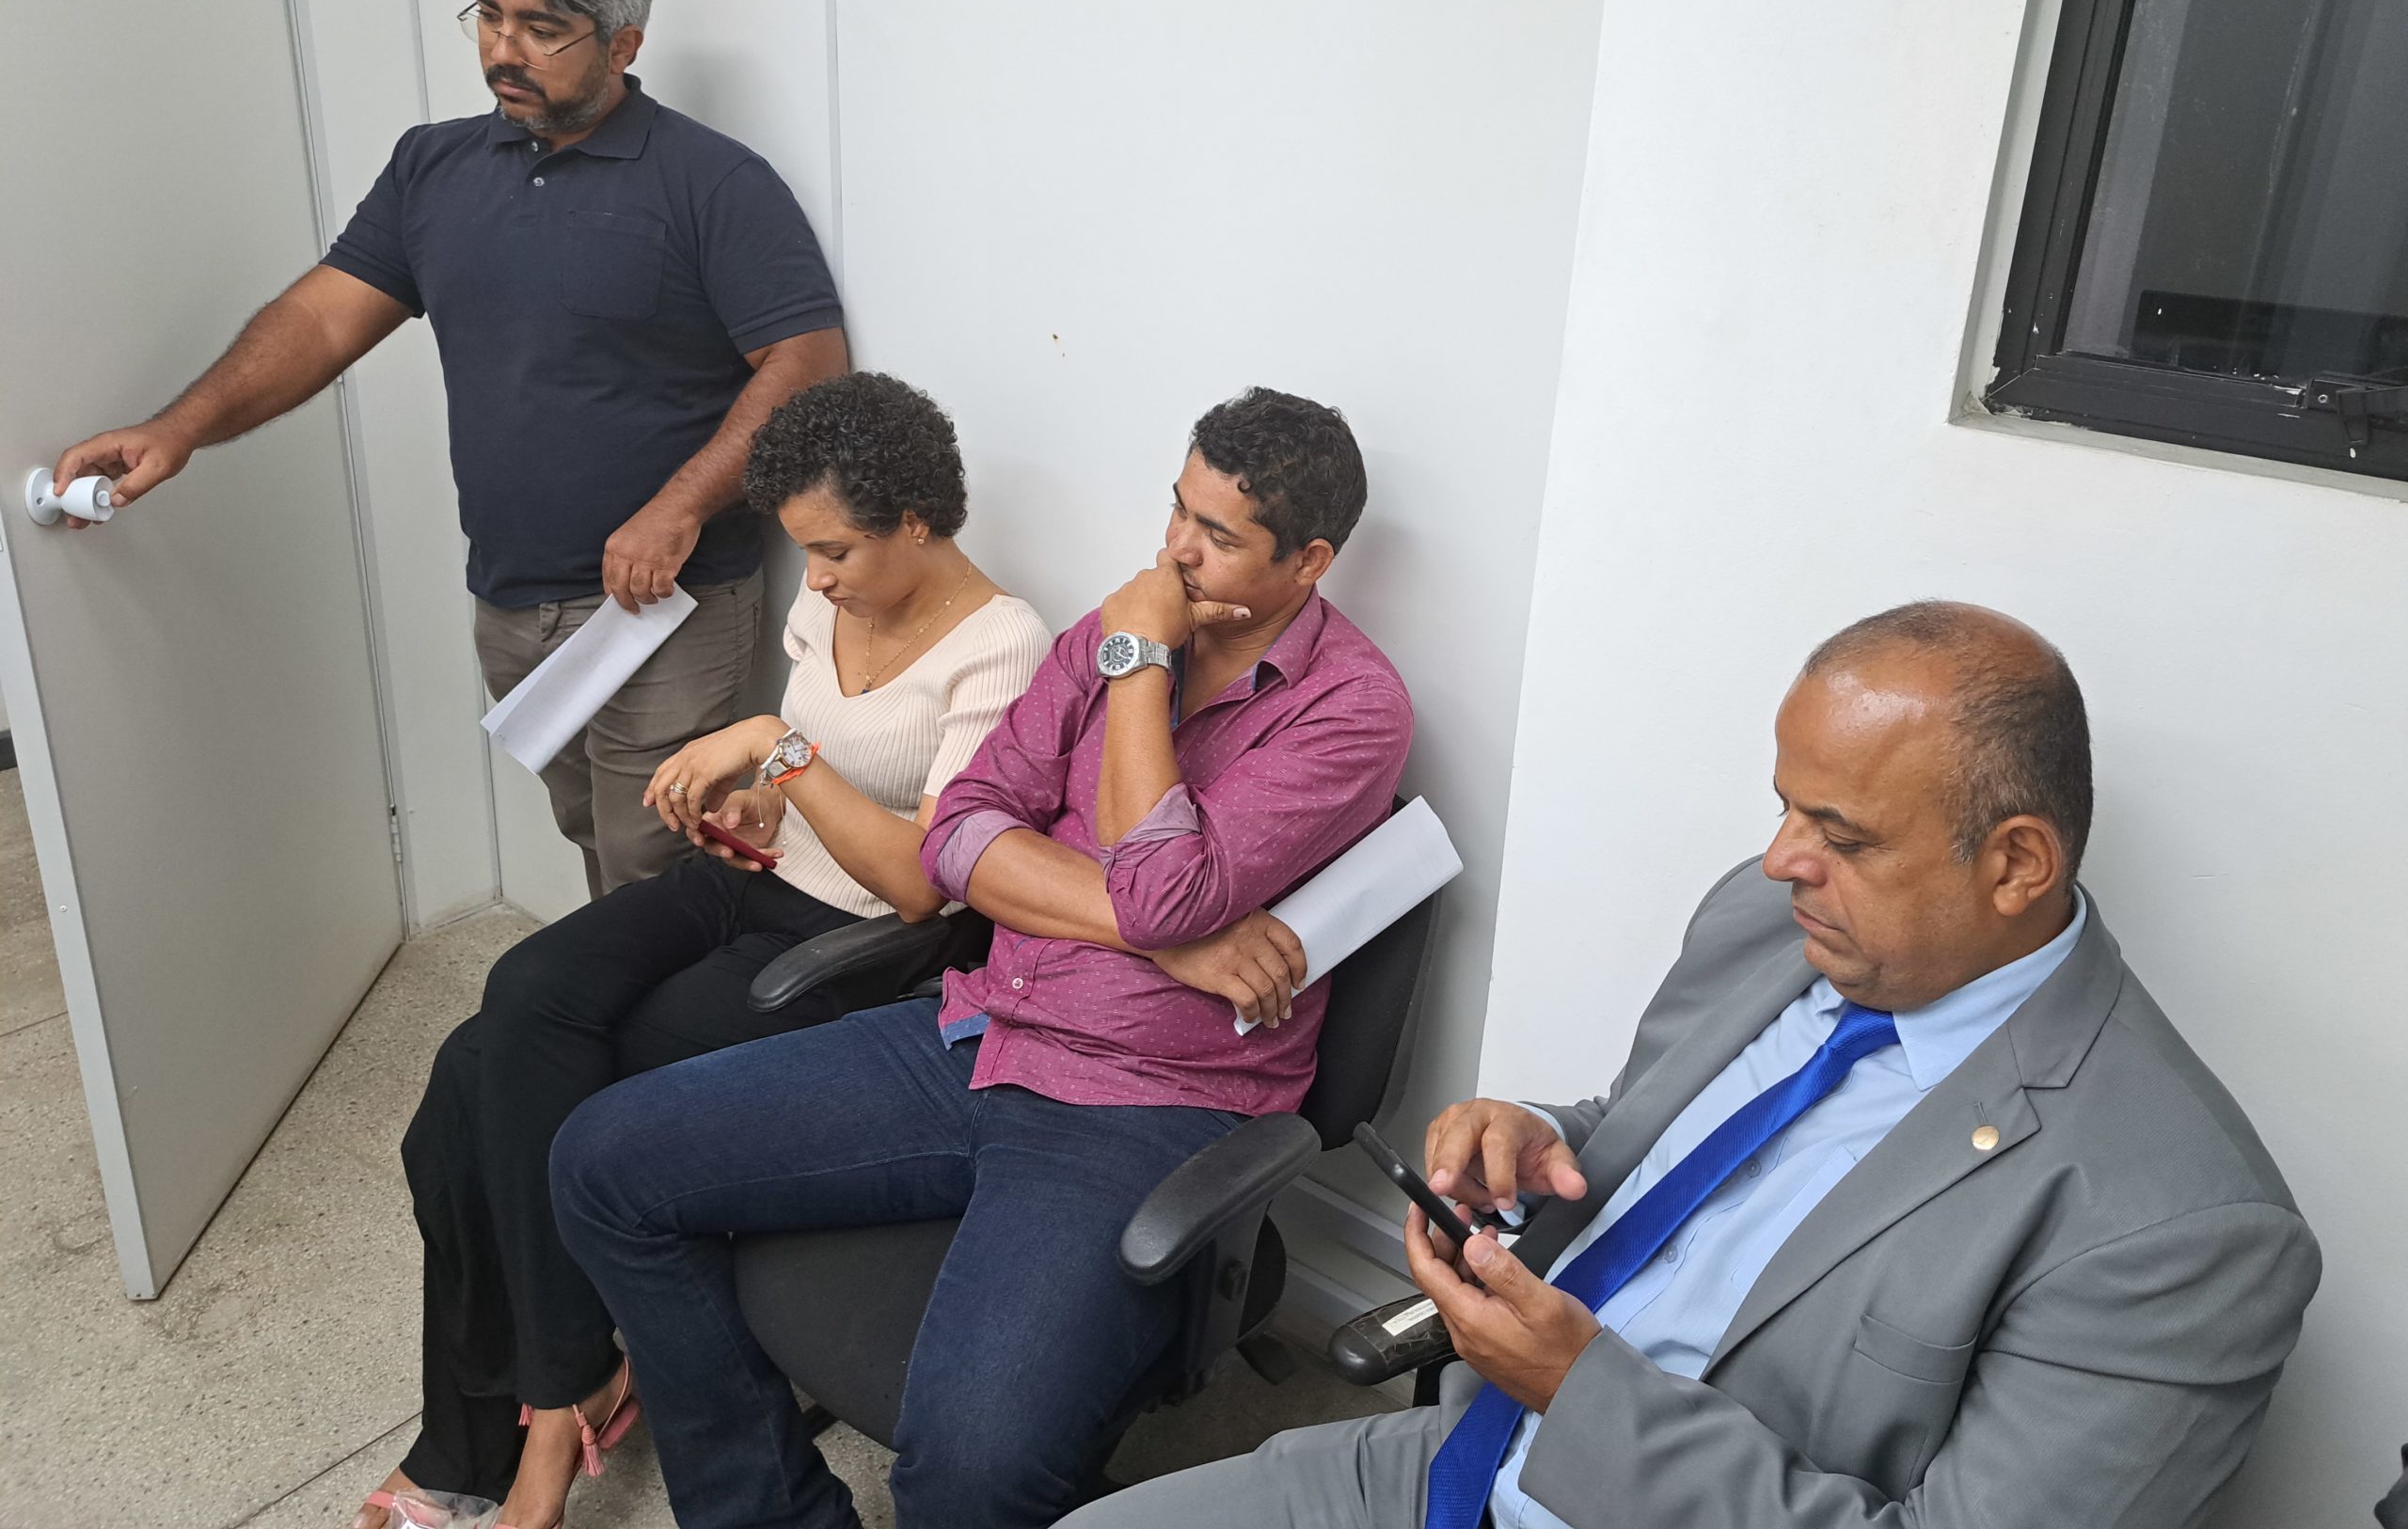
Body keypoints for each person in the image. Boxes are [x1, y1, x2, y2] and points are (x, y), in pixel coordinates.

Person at [1062, 602, 2321, 1529]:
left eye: (1840, 836)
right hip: (1459, 1468)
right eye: (1785, 806)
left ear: (2016, 865)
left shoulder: (2179, 1230)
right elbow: (1652, 1127)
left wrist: (1578, 1391)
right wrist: (1538, 1139)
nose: (1780, 861)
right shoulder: (1770, 926)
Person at [546, 387, 1414, 1529]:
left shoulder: (1351, 709)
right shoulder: (1100, 632)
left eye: (1218, 535)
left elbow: (1161, 883)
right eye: (1176, 509)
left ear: (1308, 562)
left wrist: (1139, 664)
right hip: (979, 1029)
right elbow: (958, 834)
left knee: (970, 1474)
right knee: (603, 1163)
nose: (1174, 550)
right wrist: (1173, 938)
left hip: (1144, 1102)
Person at [51, 0, 848, 897]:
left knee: (658, 870)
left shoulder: (712, 183)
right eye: (489, 14)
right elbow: (319, 320)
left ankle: (660, 1010)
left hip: (667, 600)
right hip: (511, 597)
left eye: (542, 29)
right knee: (593, 839)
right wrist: (180, 428)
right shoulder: (432, 168)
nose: (503, 50)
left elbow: (806, 364)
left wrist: (678, 507)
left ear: (622, 43)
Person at [357, 374, 1049, 1529]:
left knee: (471, 1088)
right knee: (519, 994)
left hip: (855, 940)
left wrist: (775, 751)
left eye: (834, 551)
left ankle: (515, 1430)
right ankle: (571, 1378)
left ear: (917, 521)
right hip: (756, 881)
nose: (815, 580)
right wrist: (755, 804)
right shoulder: (832, 605)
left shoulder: (1004, 647)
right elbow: (803, 781)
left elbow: (922, 881)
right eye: (806, 551)